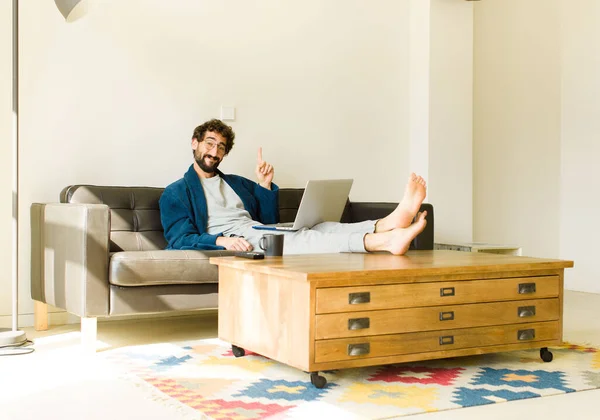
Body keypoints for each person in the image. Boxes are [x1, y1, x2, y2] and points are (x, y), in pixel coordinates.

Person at [159, 119, 428, 255]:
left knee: (321, 227)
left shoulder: (236, 183)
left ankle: (388, 222)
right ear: (195, 143)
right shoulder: (175, 192)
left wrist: (264, 186)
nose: (214, 151)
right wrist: (221, 240)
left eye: (220, 147)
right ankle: (383, 241)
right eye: (209, 143)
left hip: (256, 230)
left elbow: (269, 221)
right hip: (239, 239)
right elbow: (180, 239)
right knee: (303, 238)